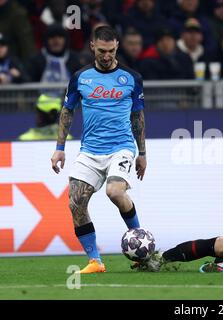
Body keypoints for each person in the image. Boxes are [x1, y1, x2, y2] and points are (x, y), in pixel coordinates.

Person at [50, 26, 147, 274]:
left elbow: (138, 117)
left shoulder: (131, 78)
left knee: (114, 191)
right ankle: (95, 261)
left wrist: (142, 153)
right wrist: (59, 148)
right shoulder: (80, 77)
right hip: (90, 151)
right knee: (76, 202)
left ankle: (142, 248)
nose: (107, 56)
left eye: (112, 50)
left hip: (121, 148)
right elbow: (67, 111)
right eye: (102, 51)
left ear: (117, 46)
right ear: (93, 46)